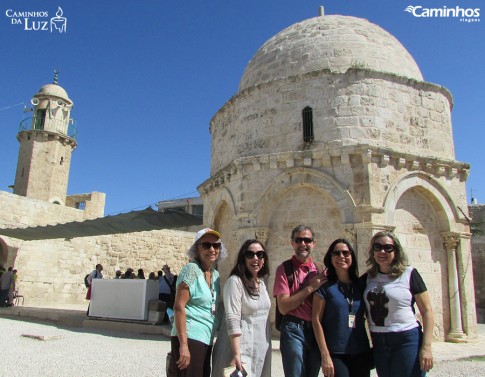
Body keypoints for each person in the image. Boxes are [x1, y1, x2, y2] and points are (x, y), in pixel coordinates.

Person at [362, 231, 434, 377]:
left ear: (396, 251)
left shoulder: (409, 273)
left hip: (406, 337)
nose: (382, 251)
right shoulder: (367, 278)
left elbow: (427, 311)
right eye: (377, 247)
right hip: (379, 340)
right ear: (373, 251)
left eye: (388, 248)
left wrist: (426, 347)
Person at [169, 228, 227, 377]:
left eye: (216, 245)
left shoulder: (215, 275)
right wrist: (183, 345)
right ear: (197, 248)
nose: (212, 249)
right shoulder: (191, 270)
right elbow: (179, 307)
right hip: (190, 337)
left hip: (205, 338)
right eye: (206, 245)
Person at [312, 239, 371, 377]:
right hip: (336, 353)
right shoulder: (324, 287)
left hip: (361, 350)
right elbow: (316, 320)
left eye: (345, 253)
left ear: (352, 256)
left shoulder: (361, 285)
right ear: (330, 258)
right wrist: (325, 355)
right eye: (336, 253)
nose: (341, 257)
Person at [212, 239, 272, 377]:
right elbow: (232, 318)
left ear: (264, 259)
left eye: (260, 254)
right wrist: (236, 354)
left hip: (259, 347)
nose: (255, 258)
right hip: (238, 347)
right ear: (243, 258)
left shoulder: (262, 282)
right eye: (250, 254)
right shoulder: (235, 282)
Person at [273, 224, 326, 377]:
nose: (303, 244)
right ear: (292, 243)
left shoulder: (319, 269)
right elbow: (283, 307)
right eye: (298, 240)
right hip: (293, 328)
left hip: (315, 330)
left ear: (313, 244)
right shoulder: (284, 269)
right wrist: (310, 288)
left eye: (307, 240)